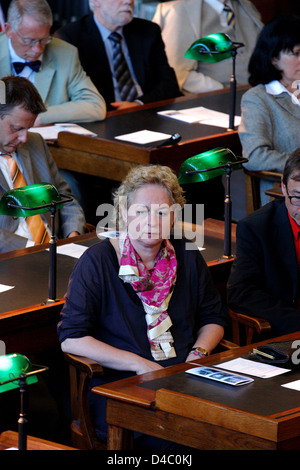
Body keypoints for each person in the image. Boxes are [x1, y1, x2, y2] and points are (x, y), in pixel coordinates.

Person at [58, 164, 225, 448]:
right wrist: (139, 365)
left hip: (185, 377)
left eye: (161, 212)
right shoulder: (97, 261)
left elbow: (213, 317)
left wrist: (198, 353)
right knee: (184, 439)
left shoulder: (187, 253)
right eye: (141, 211)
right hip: (122, 386)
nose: (152, 221)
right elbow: (72, 339)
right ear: (123, 214)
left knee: (234, 429)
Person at [0, 75, 86, 253]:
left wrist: (73, 235)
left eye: (28, 129)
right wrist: (35, 250)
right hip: (10, 259)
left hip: (57, 251)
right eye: (17, 129)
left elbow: (64, 197)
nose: (24, 138)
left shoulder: (36, 143)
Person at [54, 0, 182, 111]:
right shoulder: (70, 38)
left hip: (147, 110)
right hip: (104, 117)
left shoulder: (148, 31)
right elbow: (75, 98)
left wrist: (138, 104)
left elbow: (169, 84)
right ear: (97, 1)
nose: (128, 1)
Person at [228, 148, 300, 336]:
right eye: (297, 198)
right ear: (283, 187)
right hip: (289, 329)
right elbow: (241, 293)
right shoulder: (256, 228)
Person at [0, 0, 106, 125]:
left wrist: (39, 116)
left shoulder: (65, 53)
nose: (37, 49)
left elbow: (95, 105)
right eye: (28, 40)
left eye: (44, 40)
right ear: (8, 30)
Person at [239, 15, 300, 206]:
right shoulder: (258, 98)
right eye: (296, 54)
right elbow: (255, 156)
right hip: (285, 195)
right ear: (274, 59)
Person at [153, 0, 263, 94]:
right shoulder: (179, 10)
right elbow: (178, 73)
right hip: (211, 101)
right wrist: (223, 91)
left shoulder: (246, 6)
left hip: (257, 94)